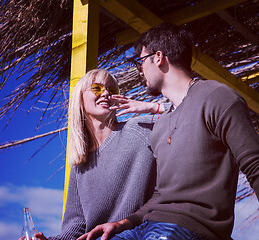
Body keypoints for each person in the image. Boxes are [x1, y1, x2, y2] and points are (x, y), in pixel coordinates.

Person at [79, 24, 259, 240]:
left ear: (158, 57)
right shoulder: (160, 126)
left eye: (141, 62)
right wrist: (122, 224)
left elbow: (258, 166)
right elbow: (161, 196)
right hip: (147, 227)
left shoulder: (217, 97)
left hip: (191, 228)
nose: (141, 71)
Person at [19, 69, 161, 240]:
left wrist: (153, 107)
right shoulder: (80, 166)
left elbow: (188, 109)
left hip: (145, 232)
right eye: (97, 88)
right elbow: (75, 227)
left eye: (112, 90)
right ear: (80, 98)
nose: (106, 93)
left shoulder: (139, 128)